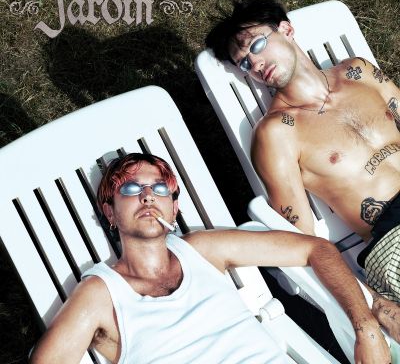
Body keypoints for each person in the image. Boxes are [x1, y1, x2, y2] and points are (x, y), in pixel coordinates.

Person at [29, 152, 390, 363]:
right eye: (131, 189)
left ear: (174, 209)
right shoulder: (100, 295)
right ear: (109, 212)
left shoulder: (203, 249)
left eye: (159, 189)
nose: (148, 197)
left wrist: (367, 327)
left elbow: (316, 249)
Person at [205, 0, 400, 305]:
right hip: (392, 237)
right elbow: (303, 241)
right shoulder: (277, 134)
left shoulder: (359, 72)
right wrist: (368, 306)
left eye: (256, 45)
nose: (255, 64)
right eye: (244, 63)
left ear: (286, 29)